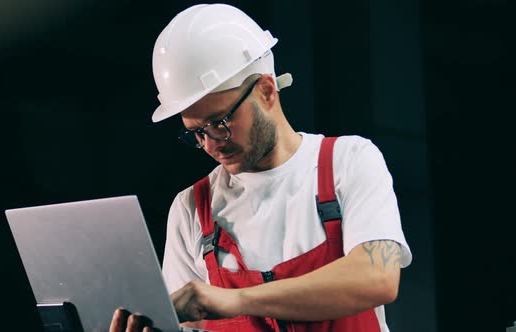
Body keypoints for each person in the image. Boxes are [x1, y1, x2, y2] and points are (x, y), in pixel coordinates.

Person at [110, 3, 412, 332]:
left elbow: (377, 277)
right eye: (197, 133)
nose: (211, 144)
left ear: (266, 91)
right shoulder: (192, 211)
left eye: (219, 122)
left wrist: (233, 300)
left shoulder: (347, 161)